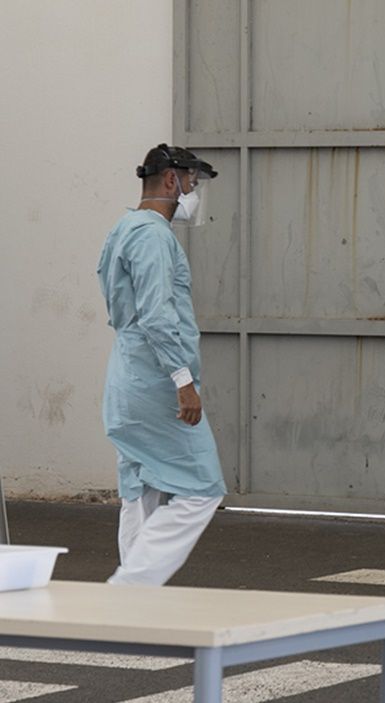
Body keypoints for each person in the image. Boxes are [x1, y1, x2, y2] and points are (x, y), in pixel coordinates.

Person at [97, 144, 225, 585]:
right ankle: (130, 588)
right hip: (154, 382)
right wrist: (183, 381)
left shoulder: (123, 229)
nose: (193, 191)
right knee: (203, 487)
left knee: (141, 488)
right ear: (171, 180)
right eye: (192, 181)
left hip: (128, 377)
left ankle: (133, 601)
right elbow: (156, 314)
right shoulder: (153, 236)